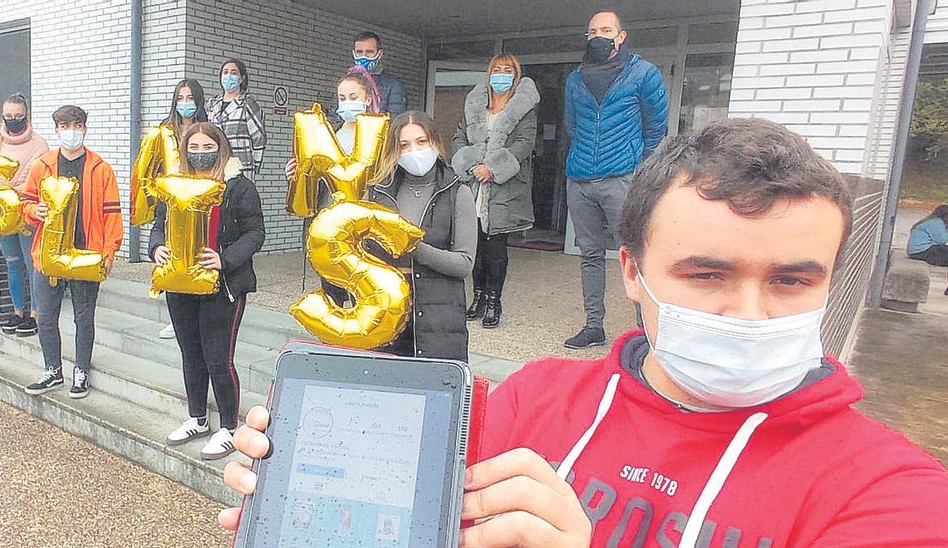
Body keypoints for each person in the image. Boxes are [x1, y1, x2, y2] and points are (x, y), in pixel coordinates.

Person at [218, 118, 948, 546]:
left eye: (792, 279)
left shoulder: (893, 497)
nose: (750, 311)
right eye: (706, 274)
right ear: (630, 271)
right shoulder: (533, 401)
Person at [151, 122, 265, 460]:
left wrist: (225, 259)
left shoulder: (238, 186)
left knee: (218, 358)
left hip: (223, 287)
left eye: (207, 146)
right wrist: (156, 248)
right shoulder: (174, 185)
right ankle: (198, 418)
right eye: (194, 147)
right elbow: (159, 226)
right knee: (192, 355)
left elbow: (255, 232)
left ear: (222, 147)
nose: (200, 153)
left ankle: (229, 427)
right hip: (180, 284)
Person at [564, 9, 669, 350]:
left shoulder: (643, 74)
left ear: (621, 36)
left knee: (636, 254)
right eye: (593, 31)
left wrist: (636, 168)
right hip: (579, 180)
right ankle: (594, 326)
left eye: (606, 30)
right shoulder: (575, 79)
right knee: (590, 255)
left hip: (621, 179)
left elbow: (656, 128)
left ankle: (644, 333)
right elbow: (572, 127)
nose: (599, 36)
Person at [18, 105, 123, 399]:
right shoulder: (43, 165)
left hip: (87, 255)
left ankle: (81, 371)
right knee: (46, 316)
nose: (71, 131)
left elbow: (112, 213)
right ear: (56, 130)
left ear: (85, 128)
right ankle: (52, 370)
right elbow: (25, 201)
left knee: (84, 316)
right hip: (49, 253)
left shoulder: (100, 168)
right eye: (65, 126)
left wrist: (109, 252)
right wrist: (32, 210)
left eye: (76, 125)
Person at [368, 111, 476, 361]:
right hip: (386, 315)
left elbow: (464, 263)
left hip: (438, 322)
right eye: (404, 145)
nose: (413, 151)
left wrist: (414, 247)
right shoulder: (379, 193)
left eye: (421, 141)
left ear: (435, 143)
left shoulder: (457, 193)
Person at [451, 54, 540, 329]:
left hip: (503, 189)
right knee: (474, 246)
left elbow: (524, 143)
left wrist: (494, 168)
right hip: (473, 187)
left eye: (507, 70)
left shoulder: (523, 109)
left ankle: (493, 301)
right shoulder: (475, 105)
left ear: (515, 75)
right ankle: (477, 298)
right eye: (497, 70)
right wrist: (470, 163)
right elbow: (458, 137)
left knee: (496, 248)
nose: (501, 75)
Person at [286, 68, 383, 308]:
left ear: (367, 99)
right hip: (329, 220)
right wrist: (296, 174)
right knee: (333, 284)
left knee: (365, 285)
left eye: (353, 97)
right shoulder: (329, 134)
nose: (347, 103)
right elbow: (314, 179)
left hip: (365, 223)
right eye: (342, 98)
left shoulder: (380, 134)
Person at [0, 93, 49, 337]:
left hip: (26, 211)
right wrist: (5, 190)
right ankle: (17, 310)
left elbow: (36, 178)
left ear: (26, 115)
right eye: (8, 116)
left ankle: (35, 313)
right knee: (12, 262)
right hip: (0, 211)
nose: (13, 120)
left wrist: (9, 188)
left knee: (32, 263)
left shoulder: (39, 144)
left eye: (18, 116)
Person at [159, 79, 210, 340]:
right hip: (172, 201)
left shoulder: (207, 129)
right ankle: (174, 316)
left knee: (196, 251)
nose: (185, 104)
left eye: (190, 98)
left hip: (199, 200)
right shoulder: (165, 131)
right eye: (180, 98)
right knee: (173, 254)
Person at [205, 59, 267, 179]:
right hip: (217, 166)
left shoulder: (248, 103)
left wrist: (255, 164)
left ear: (242, 78)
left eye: (233, 73)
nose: (228, 76)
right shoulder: (212, 104)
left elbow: (259, 137)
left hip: (241, 165)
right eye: (225, 72)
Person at [350, 31, 406, 116]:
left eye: (369, 52)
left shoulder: (394, 85)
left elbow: (395, 122)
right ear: (354, 53)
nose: (364, 56)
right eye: (359, 52)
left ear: (379, 54)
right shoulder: (347, 82)